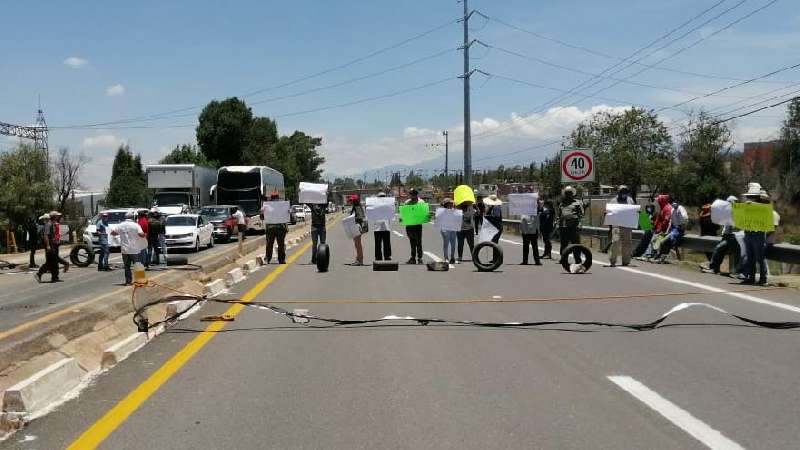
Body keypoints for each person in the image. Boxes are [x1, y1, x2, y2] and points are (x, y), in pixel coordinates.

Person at [701, 196, 741, 276]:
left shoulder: (736, 211)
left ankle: (737, 271)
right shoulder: (727, 211)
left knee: (721, 250)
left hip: (733, 236)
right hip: (727, 235)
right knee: (722, 250)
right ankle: (716, 268)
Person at [740, 186, 771, 285]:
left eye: (752, 196)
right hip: (748, 232)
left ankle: (763, 278)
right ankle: (751, 277)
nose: (750, 198)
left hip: (758, 233)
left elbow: (766, 212)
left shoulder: (763, 206)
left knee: (760, 257)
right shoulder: (747, 206)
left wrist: (753, 205)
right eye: (749, 196)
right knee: (750, 257)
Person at [111, 210, 146, 285]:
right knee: (138, 265)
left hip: (125, 250)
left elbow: (113, 233)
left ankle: (128, 281)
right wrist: (144, 235)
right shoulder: (136, 225)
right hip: (134, 249)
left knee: (127, 267)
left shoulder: (120, 225)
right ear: (132, 217)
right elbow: (141, 234)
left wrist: (121, 233)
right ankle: (140, 280)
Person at [607, 185, 636, 267]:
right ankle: (613, 261)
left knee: (627, 244)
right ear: (618, 192)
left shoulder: (630, 200)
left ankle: (626, 261)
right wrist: (610, 228)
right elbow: (609, 215)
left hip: (627, 227)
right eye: (622, 192)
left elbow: (634, 212)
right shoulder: (613, 201)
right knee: (615, 243)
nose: (624, 193)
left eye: (625, 192)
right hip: (616, 227)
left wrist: (638, 214)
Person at [556, 186, 584, 264]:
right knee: (563, 243)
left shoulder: (577, 203)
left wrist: (580, 224)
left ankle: (577, 260)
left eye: (570, 193)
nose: (568, 195)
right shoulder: (562, 204)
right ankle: (563, 259)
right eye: (566, 193)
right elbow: (559, 215)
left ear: (572, 194)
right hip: (563, 226)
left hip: (574, 226)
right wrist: (557, 224)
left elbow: (581, 215)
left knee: (575, 244)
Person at [641, 195, 673, 260]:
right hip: (659, 229)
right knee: (653, 241)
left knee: (653, 241)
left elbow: (666, 221)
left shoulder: (667, 208)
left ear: (662, 201)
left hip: (663, 230)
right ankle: (650, 255)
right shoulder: (663, 207)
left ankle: (648, 255)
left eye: (659, 201)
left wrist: (660, 228)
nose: (658, 202)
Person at [656, 198, 688, 262]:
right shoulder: (673, 210)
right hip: (673, 229)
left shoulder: (680, 209)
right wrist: (667, 231)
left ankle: (660, 257)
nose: (673, 204)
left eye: (675, 202)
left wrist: (682, 226)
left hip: (678, 229)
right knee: (669, 244)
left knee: (664, 242)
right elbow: (671, 222)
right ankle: (663, 258)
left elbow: (685, 218)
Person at [261, 193, 289, 264]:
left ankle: (268, 259)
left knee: (270, 244)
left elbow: (261, 217)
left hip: (271, 228)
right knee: (280, 244)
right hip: (279, 228)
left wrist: (262, 212)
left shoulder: (268, 205)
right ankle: (281, 260)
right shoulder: (282, 205)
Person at [34, 214, 58, 283]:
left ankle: (54, 277)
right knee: (50, 262)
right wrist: (48, 245)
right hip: (49, 245)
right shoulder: (48, 225)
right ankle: (39, 274)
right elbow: (46, 236)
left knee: (52, 261)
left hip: (51, 244)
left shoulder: (51, 224)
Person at [404, 189, 424, 264]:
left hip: (418, 225)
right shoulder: (407, 202)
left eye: (413, 194)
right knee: (412, 242)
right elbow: (404, 213)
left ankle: (419, 258)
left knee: (418, 242)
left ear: (416, 195)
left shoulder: (421, 202)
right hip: (409, 225)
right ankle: (413, 258)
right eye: (411, 194)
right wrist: (402, 218)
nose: (412, 196)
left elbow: (424, 212)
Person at [372, 192, 392, 261]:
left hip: (386, 227)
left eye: (383, 196)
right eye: (381, 196)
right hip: (377, 227)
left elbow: (392, 214)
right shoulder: (374, 206)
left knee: (387, 243)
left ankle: (387, 256)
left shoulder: (388, 205)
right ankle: (378, 257)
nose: (382, 198)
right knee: (377, 244)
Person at [349, 195, 367, 266]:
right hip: (356, 227)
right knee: (357, 244)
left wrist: (352, 217)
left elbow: (361, 216)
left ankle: (359, 260)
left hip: (357, 227)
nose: (350, 201)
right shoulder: (356, 207)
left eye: (352, 200)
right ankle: (358, 259)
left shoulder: (357, 207)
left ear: (355, 201)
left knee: (358, 244)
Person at [439, 198, 457, 264]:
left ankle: (452, 257)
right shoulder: (442, 211)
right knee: (446, 244)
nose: (451, 204)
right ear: (446, 204)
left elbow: (458, 219)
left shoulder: (454, 211)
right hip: (445, 229)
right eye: (450, 203)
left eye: (452, 203)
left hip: (453, 229)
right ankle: (446, 257)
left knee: (453, 244)